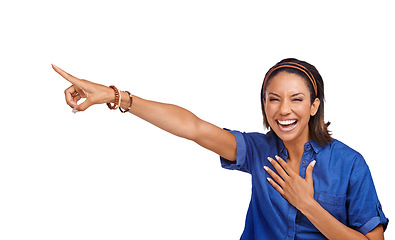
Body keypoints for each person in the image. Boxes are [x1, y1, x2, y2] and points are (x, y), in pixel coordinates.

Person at [52, 58, 388, 239]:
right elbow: (194, 128)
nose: (284, 109)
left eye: (296, 99)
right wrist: (116, 96)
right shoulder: (259, 150)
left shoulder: (350, 164)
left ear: (314, 106)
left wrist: (307, 205)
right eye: (274, 99)